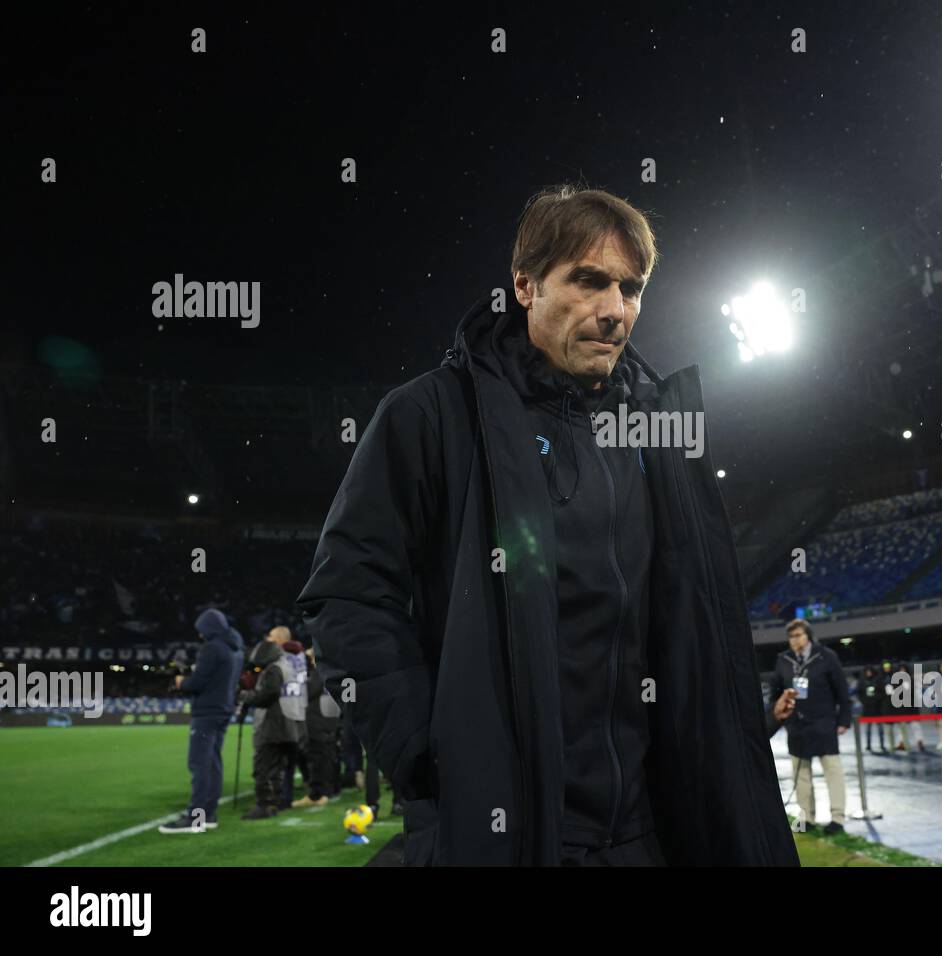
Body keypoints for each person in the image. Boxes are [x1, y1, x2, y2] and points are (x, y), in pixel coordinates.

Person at [297, 184, 798, 867]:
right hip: (515, 830)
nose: (615, 311)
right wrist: (431, 757)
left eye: (631, 288)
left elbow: (693, 624)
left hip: (653, 832)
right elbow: (349, 597)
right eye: (589, 282)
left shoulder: (657, 433)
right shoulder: (430, 416)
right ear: (525, 286)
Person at [159, 607, 244, 834]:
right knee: (213, 762)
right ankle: (209, 814)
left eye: (201, 630)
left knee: (199, 763)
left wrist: (180, 682)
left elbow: (198, 683)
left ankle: (196, 817)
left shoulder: (212, 649)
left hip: (207, 713)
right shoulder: (235, 649)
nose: (200, 635)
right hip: (223, 710)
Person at [771, 620, 851, 835]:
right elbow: (775, 694)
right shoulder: (783, 660)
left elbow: (842, 691)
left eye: (798, 635)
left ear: (808, 635)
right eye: (791, 636)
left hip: (824, 723)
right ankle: (806, 817)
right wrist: (782, 720)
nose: (795, 640)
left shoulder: (826, 656)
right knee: (800, 773)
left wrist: (844, 720)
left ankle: (837, 818)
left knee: (832, 772)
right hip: (796, 725)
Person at [241, 629, 308, 820]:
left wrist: (244, 695)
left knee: (263, 766)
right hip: (290, 722)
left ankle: (264, 805)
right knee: (278, 767)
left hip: (274, 724)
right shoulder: (289, 665)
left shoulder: (274, 668)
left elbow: (267, 695)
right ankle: (276, 802)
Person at [292, 647, 342, 808]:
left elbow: (306, 693)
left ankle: (318, 794)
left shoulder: (319, 672)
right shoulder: (335, 672)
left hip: (317, 722)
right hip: (330, 720)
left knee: (318, 759)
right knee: (328, 757)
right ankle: (331, 789)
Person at [858, 664, 888, 753]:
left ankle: (882, 744)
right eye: (867, 672)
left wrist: (876, 698)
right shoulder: (862, 681)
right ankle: (868, 745)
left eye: (870, 671)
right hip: (867, 708)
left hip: (877, 708)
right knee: (868, 729)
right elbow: (860, 693)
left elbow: (882, 693)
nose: (868, 673)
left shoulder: (877, 680)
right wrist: (864, 701)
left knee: (880, 729)